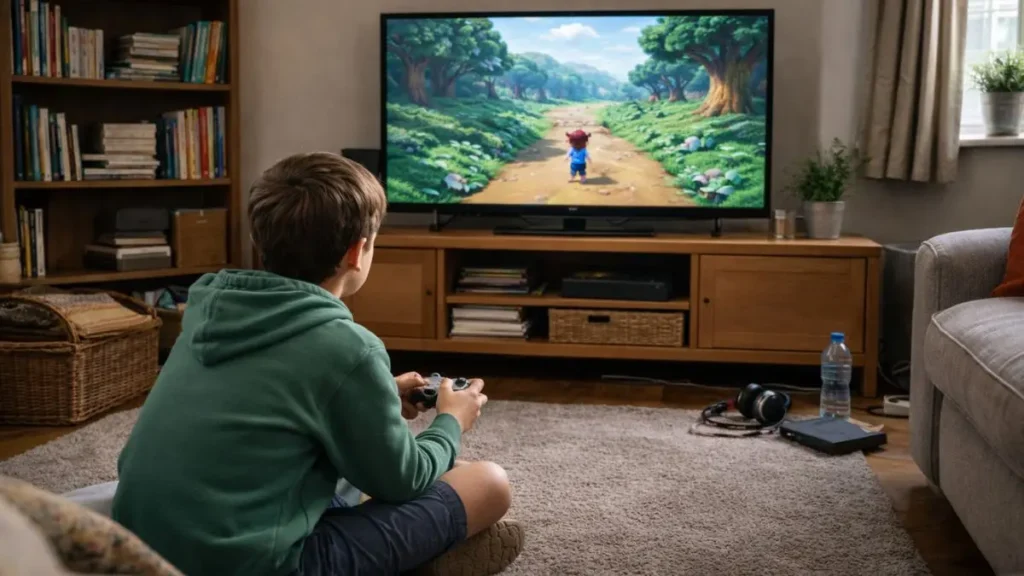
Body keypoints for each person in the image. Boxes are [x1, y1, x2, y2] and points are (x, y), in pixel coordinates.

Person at [111, 152, 524, 576]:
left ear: (261, 238)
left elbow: (274, 397)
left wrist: (377, 392)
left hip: (142, 550)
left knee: (401, 465)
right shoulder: (348, 347)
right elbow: (403, 479)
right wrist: (451, 420)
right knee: (485, 481)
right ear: (357, 251)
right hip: (263, 565)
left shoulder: (207, 311)